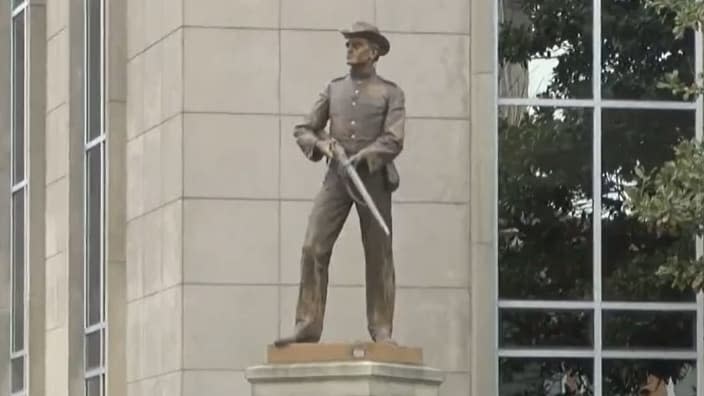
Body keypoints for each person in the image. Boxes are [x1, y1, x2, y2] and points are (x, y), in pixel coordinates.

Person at [275, 21, 406, 346]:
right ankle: (307, 324)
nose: (349, 49)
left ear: (374, 53)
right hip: (336, 178)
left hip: (373, 180)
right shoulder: (333, 89)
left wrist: (364, 156)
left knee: (379, 254)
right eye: (348, 44)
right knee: (312, 247)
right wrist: (324, 146)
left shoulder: (390, 93)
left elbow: (393, 139)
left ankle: (381, 328)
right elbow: (304, 129)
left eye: (357, 44)